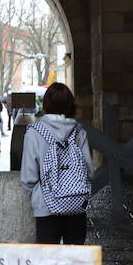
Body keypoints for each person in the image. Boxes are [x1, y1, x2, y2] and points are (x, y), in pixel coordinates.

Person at [20, 81, 93, 244]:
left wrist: (39, 194)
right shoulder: (79, 131)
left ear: (46, 104)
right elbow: (89, 170)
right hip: (76, 205)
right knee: (74, 259)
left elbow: (28, 177)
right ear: (70, 104)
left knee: (47, 262)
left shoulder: (34, 132)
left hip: (45, 206)